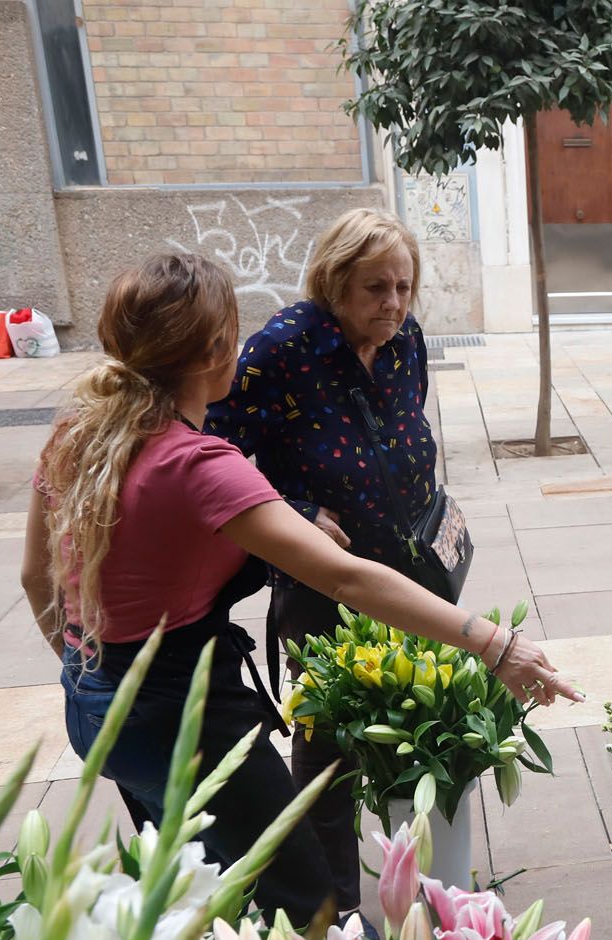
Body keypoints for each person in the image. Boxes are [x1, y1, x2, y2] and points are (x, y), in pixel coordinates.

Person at [19, 252, 578, 926]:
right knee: (305, 908)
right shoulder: (198, 464)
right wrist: (496, 644)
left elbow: (36, 578)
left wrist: (97, 676)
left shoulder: (75, 436)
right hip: (183, 714)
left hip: (94, 704)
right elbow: (345, 576)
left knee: (202, 891)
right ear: (217, 349)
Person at [204, 208, 446, 904]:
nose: (394, 303)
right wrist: (299, 511)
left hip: (406, 570)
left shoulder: (407, 342)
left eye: (403, 286)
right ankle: (334, 908)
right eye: (376, 288)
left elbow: (407, 423)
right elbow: (214, 451)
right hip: (320, 582)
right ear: (334, 282)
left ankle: (418, 883)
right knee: (328, 748)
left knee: (414, 726)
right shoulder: (284, 346)